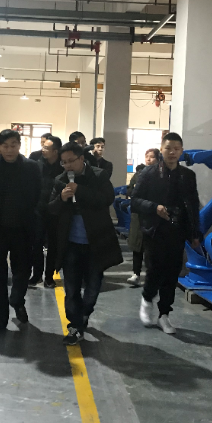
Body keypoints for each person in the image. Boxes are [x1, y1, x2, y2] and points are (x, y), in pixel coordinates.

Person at [48, 141, 123, 345]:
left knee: (93, 286)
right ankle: (74, 326)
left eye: (71, 161)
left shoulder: (98, 176)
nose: (67, 166)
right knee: (71, 288)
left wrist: (79, 190)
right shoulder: (60, 180)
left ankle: (84, 313)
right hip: (70, 244)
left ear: (81, 159)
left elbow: (106, 199)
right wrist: (61, 198)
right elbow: (51, 209)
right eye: (64, 162)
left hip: (96, 242)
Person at [131, 133, 200, 334]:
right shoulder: (149, 173)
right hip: (154, 230)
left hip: (177, 231)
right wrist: (155, 208)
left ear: (181, 151)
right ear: (161, 149)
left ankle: (164, 314)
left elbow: (193, 206)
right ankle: (147, 299)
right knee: (154, 270)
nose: (172, 152)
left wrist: (195, 233)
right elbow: (134, 201)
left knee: (172, 273)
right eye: (168, 148)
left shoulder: (188, 176)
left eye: (176, 149)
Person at [0, 129, 41, 335]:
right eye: (5, 146)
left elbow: (38, 196)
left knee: (23, 271)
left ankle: (17, 300)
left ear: (19, 145)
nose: (9, 150)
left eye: (13, 145)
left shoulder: (32, 168)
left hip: (24, 229)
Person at [30, 135, 63, 288]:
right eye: (43, 146)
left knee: (53, 245)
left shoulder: (63, 167)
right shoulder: (37, 165)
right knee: (36, 243)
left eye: (46, 148)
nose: (42, 149)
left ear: (55, 151)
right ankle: (36, 275)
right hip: (38, 210)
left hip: (56, 212)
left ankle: (49, 277)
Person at [126, 148, 160, 285]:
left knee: (151, 248)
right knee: (137, 246)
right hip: (138, 215)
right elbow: (130, 190)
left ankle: (152, 276)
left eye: (152, 157)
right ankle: (136, 274)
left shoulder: (161, 176)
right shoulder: (139, 174)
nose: (149, 159)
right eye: (147, 156)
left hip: (153, 215)